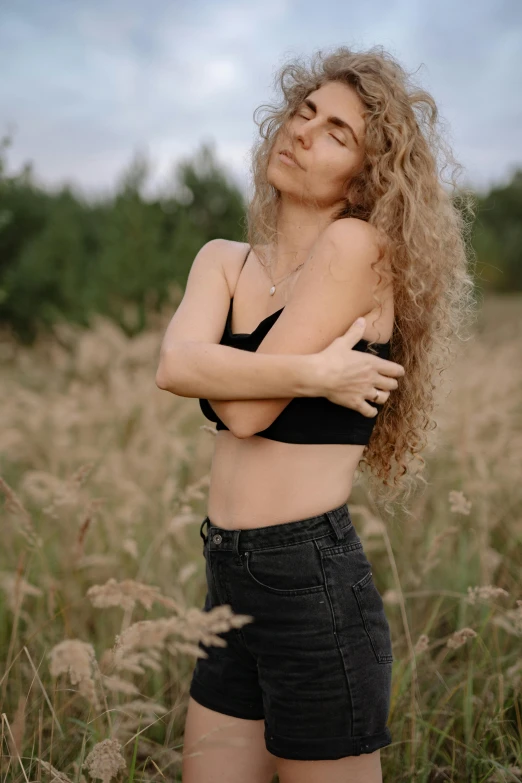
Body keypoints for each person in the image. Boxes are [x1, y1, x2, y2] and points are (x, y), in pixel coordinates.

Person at [156, 45, 476, 783]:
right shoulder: (222, 260)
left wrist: (240, 373)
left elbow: (244, 412)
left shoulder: (355, 246)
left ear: (364, 176)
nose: (302, 132)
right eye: (303, 113)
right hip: (226, 572)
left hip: (310, 582)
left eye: (336, 132)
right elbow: (174, 365)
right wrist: (315, 372)